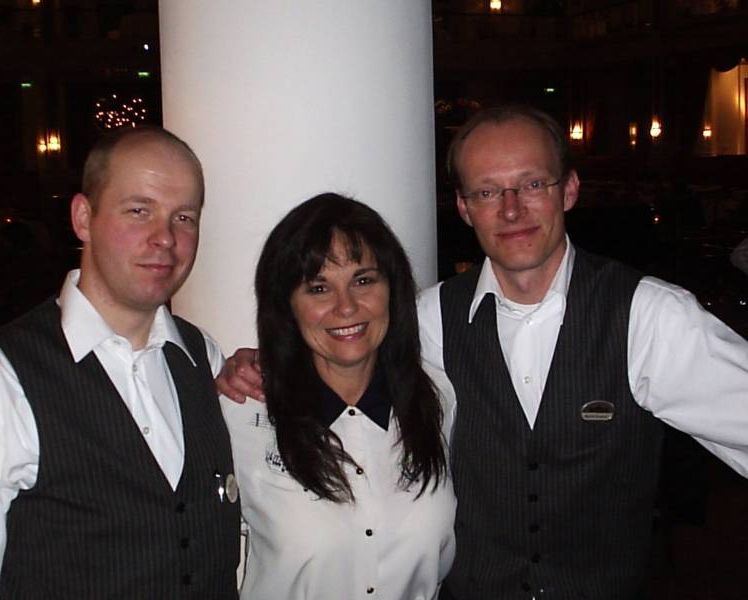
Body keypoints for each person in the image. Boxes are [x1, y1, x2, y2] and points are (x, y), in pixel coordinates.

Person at [217, 105, 748, 600]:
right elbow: (338, 337)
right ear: (464, 208)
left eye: (532, 184)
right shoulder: (427, 321)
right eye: (488, 191)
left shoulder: (648, 316)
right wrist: (255, 365)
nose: (512, 209)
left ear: (569, 190)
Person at [0, 126, 240, 599]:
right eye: (139, 210)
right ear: (83, 218)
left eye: (184, 217)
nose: (165, 238)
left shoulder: (201, 356)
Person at [218, 193, 456, 599]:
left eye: (363, 281)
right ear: (287, 305)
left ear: (392, 288)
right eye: (318, 288)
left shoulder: (438, 399)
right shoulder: (239, 414)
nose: (346, 307)